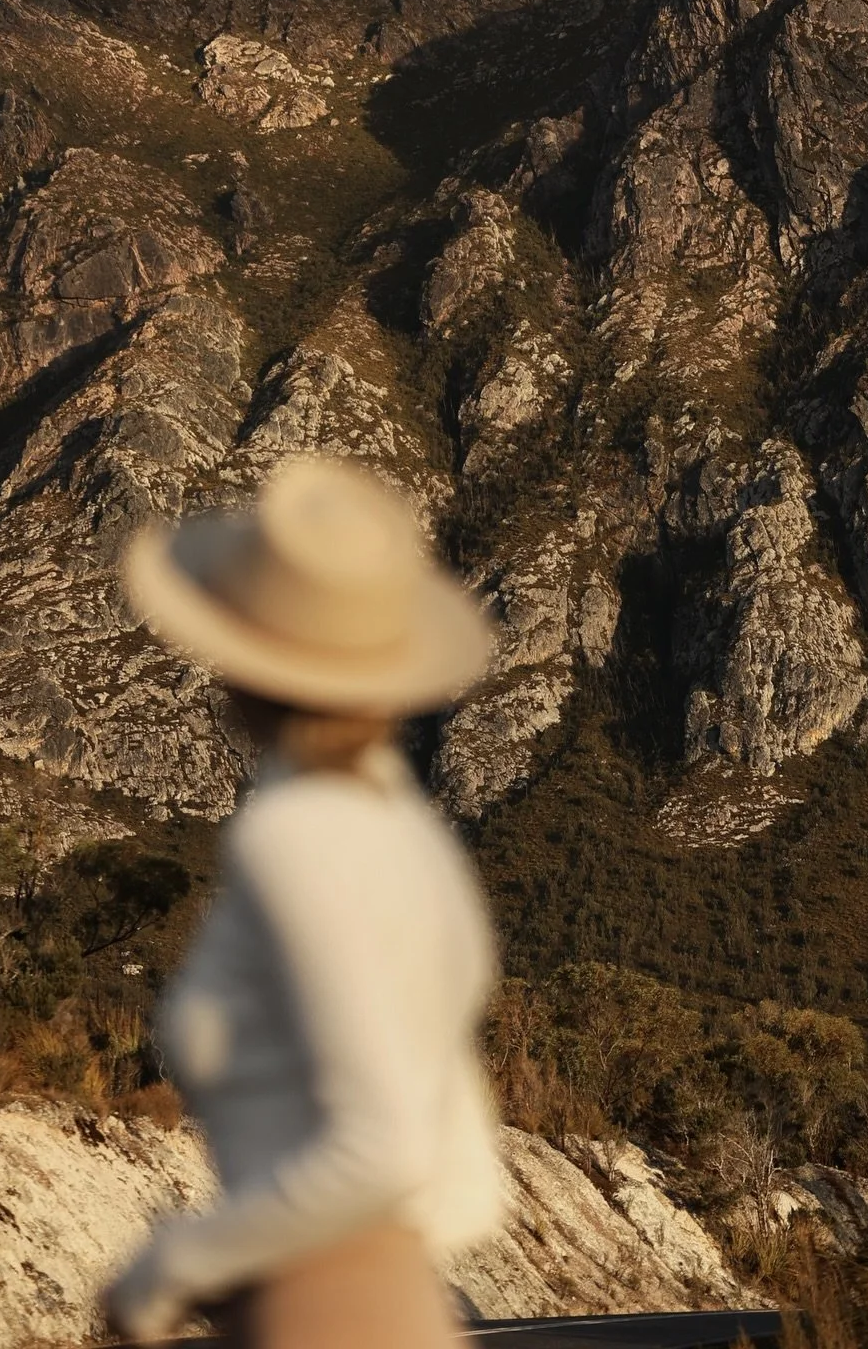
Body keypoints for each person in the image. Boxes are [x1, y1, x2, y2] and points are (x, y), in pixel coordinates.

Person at [102, 453, 502, 1348]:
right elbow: (459, 1163)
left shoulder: (300, 834)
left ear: (244, 662)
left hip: (319, 1314)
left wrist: (178, 1265)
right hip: (390, 1305)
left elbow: (384, 1144)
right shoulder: (407, 831)